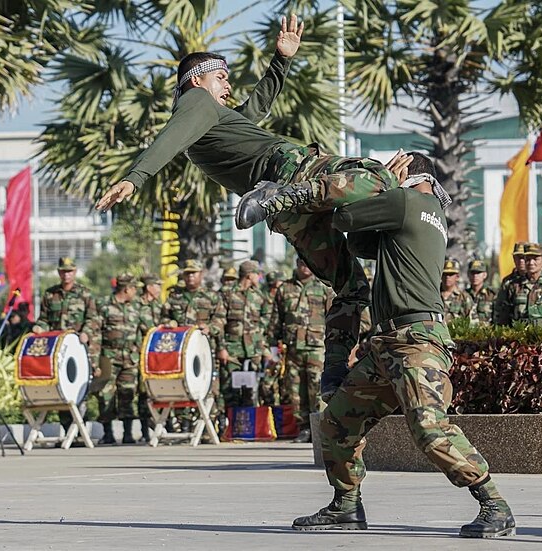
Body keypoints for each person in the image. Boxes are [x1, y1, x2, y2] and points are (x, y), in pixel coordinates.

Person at [94, 16, 425, 406]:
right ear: (198, 80)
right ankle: (287, 196)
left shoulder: (209, 122)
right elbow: (167, 140)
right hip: (289, 174)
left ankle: (335, 374)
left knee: (352, 290)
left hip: (285, 211)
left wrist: (281, 61)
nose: (228, 85)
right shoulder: (196, 102)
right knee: (376, 173)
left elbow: (255, 110)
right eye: (222, 78)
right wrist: (134, 178)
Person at [293, 152, 515, 537]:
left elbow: (343, 219)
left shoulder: (407, 199)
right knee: (337, 421)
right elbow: (363, 244)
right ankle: (346, 507)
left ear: (409, 176)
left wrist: (382, 183)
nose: (381, 176)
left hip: (416, 341)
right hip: (389, 345)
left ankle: (495, 504)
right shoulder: (423, 208)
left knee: (430, 429)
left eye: (391, 171)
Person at [33, 257, 101, 437]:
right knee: (61, 389)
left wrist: (86, 332)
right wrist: (40, 327)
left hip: (78, 348)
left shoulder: (85, 294)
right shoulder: (50, 294)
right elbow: (45, 319)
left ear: (75, 272)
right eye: (63, 271)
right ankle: (66, 429)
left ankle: (79, 432)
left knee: (78, 390)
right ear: (59, 272)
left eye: (69, 271)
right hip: (58, 350)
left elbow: (93, 318)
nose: (66, 274)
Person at [267, 256, 333, 443]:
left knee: (317, 387)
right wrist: (273, 346)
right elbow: (275, 319)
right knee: (295, 389)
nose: (306, 267)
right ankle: (304, 428)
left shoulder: (323, 288)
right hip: (293, 347)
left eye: (308, 263)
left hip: (316, 347)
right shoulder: (285, 288)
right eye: (302, 263)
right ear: (297, 264)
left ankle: (320, 428)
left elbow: (333, 316)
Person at [162, 259, 224, 432]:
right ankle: (185, 423)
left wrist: (210, 328)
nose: (190, 277)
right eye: (187, 273)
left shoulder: (211, 296)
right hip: (180, 352)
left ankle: (207, 428)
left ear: (201, 274)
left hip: (204, 351)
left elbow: (220, 320)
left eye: (193, 273)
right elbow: (163, 318)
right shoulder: (175, 296)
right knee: (182, 385)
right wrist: (170, 323)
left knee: (209, 388)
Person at [96, 274, 146, 445]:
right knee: (106, 396)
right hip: (109, 358)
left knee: (128, 395)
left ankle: (128, 434)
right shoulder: (104, 306)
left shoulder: (136, 307)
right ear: (127, 289)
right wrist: (95, 360)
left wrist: (138, 350)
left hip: (129, 360)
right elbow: (96, 332)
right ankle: (108, 433)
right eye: (134, 288)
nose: (136, 292)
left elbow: (144, 329)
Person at [215, 260, 271, 410]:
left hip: (253, 351)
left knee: (251, 392)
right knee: (229, 391)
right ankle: (230, 427)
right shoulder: (227, 293)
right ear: (248, 275)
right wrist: (221, 348)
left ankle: (247, 428)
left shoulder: (259, 296)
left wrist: (262, 346)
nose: (259, 277)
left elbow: (266, 320)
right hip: (232, 351)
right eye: (256, 274)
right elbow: (219, 322)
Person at [494, 243, 542, 326]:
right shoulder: (514, 285)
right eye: (528, 259)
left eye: (535, 259)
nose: (531, 263)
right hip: (520, 336)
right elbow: (502, 316)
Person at [135, 273, 163, 442]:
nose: (159, 289)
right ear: (149, 287)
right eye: (157, 286)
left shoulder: (159, 307)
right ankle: (145, 429)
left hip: (157, 355)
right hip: (140, 354)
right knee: (142, 392)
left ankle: (159, 425)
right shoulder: (137, 306)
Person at [441, 259, 475, 324]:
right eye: (445, 274)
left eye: (451, 274)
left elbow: (472, 323)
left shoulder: (464, 298)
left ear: (457, 277)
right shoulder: (433, 295)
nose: (447, 277)